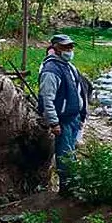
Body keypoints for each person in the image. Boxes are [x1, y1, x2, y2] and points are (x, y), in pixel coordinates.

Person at [37, 34, 88, 195]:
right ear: (56, 48)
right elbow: (47, 99)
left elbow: (80, 92)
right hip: (63, 121)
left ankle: (72, 186)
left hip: (74, 118)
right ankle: (67, 191)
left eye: (71, 47)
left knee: (71, 153)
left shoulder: (69, 66)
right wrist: (54, 122)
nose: (70, 50)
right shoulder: (51, 70)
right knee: (65, 156)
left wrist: (81, 116)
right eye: (66, 47)